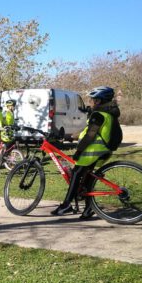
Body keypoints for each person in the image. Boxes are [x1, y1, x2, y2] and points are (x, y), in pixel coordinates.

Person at [51, 86, 121, 218]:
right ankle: (89, 208)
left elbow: (90, 135)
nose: (90, 102)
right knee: (88, 178)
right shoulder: (106, 114)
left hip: (94, 151)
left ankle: (66, 204)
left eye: (92, 99)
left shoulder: (99, 115)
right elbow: (87, 132)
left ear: (98, 101)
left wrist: (79, 151)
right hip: (102, 151)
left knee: (77, 173)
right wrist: (70, 136)